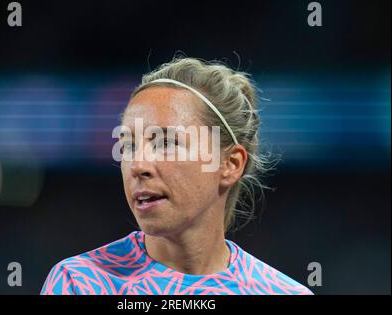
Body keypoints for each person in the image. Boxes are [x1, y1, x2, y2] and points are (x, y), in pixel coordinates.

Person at [41, 57, 313, 295]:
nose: (138, 165)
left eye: (166, 143)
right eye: (128, 146)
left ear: (230, 164)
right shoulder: (81, 283)